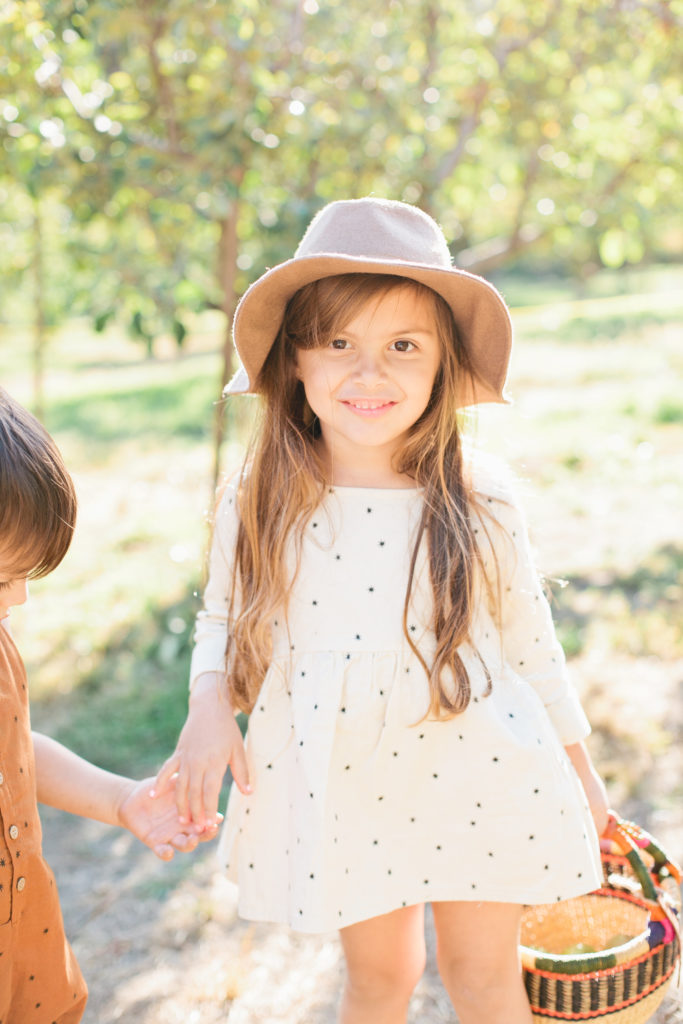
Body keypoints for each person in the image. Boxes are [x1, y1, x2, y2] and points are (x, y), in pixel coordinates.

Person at [154, 197, 609, 1024]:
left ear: (442, 364)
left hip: (479, 765)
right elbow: (218, 618)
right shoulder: (260, 497)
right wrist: (206, 705)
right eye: (339, 344)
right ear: (294, 360)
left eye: (403, 346)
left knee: (482, 979)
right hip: (346, 777)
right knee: (379, 981)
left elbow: (532, 647)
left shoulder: (481, 497)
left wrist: (586, 781)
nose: (370, 374)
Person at [0, 387, 220, 1024]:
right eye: (1, 580)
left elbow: (18, 756)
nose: (17, 601)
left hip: (23, 948)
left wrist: (122, 800)